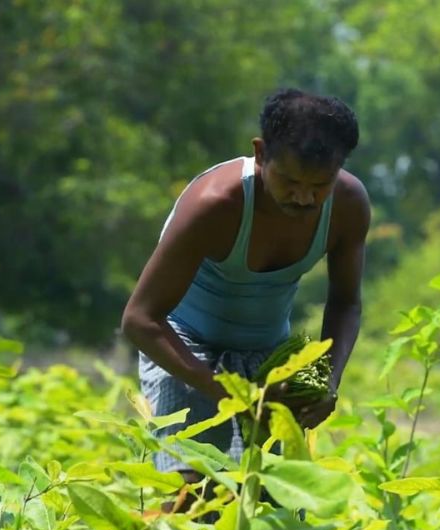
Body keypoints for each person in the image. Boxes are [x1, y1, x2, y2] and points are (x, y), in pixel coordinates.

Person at [121, 88, 370, 493]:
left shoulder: (348, 204)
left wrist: (325, 379)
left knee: (270, 496)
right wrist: (229, 393)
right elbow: (140, 319)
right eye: (289, 181)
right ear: (260, 153)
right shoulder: (215, 203)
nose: (304, 197)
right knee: (190, 494)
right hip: (185, 347)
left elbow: (345, 304)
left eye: (319, 185)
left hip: (268, 352)